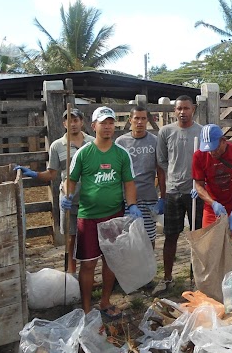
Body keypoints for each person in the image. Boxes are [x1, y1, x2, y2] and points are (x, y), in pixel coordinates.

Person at [62, 106, 141, 317]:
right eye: (103, 122)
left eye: (111, 123)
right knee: (88, 264)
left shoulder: (121, 154)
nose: (107, 127)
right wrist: (67, 195)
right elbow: (70, 181)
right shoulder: (83, 154)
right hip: (88, 216)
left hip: (113, 216)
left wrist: (132, 205)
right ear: (94, 125)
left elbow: (129, 183)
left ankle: (105, 302)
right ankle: (87, 308)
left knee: (111, 260)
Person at [14, 108, 94, 275]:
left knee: (89, 238)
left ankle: (88, 273)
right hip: (69, 198)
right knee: (71, 237)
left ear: (82, 122)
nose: (73, 124)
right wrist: (34, 174)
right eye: (69, 121)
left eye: (76, 120)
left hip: (91, 197)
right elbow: (52, 173)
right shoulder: (57, 146)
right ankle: (71, 273)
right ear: (64, 124)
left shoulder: (93, 142)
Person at [155, 95, 203, 295]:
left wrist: (198, 180)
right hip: (174, 191)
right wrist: (173, 177)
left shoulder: (200, 131)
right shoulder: (166, 132)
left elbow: (206, 160)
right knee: (170, 236)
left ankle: (198, 278)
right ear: (174, 111)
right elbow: (162, 160)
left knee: (198, 236)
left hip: (195, 192)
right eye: (179, 108)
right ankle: (167, 278)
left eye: (186, 108)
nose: (182, 112)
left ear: (193, 109)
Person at [193, 124, 232, 255]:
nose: (212, 152)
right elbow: (199, 185)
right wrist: (212, 203)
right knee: (209, 246)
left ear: (223, 141)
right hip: (212, 206)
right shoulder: (199, 156)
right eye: (208, 149)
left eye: (215, 148)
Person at [115, 105, 166, 248]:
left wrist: (163, 196)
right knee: (128, 239)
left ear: (148, 120)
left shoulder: (155, 141)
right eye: (136, 118)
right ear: (130, 119)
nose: (140, 122)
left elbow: (160, 171)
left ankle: (149, 269)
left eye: (143, 118)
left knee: (149, 238)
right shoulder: (121, 143)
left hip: (148, 197)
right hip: (125, 200)